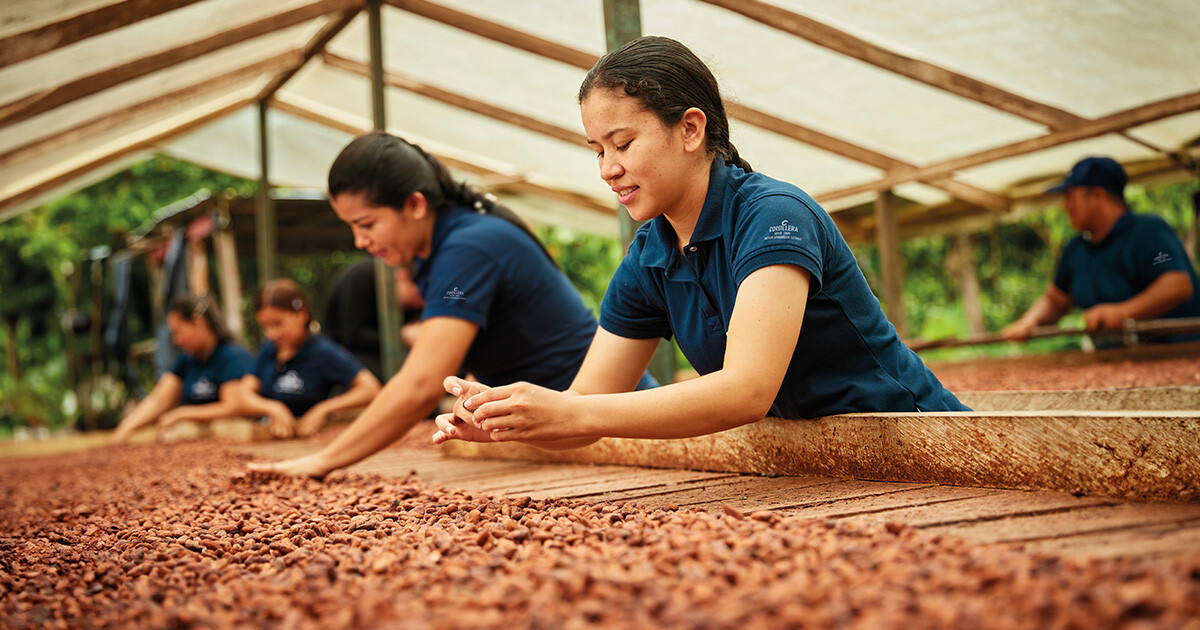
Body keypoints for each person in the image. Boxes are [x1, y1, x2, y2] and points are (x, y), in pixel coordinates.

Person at [433, 35, 968, 450]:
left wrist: (571, 412)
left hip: (930, 444)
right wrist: (511, 425)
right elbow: (585, 408)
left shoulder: (773, 216)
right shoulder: (650, 257)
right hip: (824, 465)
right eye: (597, 150)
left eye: (622, 144)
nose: (608, 169)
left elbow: (746, 389)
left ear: (690, 129)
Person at [248, 131, 652, 477]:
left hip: (611, 422)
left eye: (367, 224)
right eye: (352, 227)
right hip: (553, 432)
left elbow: (421, 385)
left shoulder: (467, 249)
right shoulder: (445, 250)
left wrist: (324, 460)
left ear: (416, 205)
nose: (359, 242)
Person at [1001, 156, 1200, 343]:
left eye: (1070, 197)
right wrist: (1029, 322)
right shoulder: (1076, 250)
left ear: (1097, 195)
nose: (1065, 206)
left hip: (1177, 353)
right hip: (1115, 361)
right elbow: (1055, 301)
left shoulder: (1148, 233)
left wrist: (1122, 313)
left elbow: (1177, 284)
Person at [235, 278, 382, 438]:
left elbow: (370, 388)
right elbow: (244, 394)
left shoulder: (322, 350)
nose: (271, 334)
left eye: (278, 324)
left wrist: (324, 409)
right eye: (265, 326)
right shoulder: (269, 348)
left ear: (301, 314)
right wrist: (273, 408)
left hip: (313, 439)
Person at [110, 293, 252, 443]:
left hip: (232, 429)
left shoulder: (232, 356)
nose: (176, 340)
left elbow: (233, 407)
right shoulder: (186, 359)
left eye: (178, 332)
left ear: (198, 322)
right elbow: (158, 400)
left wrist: (183, 414)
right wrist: (125, 428)